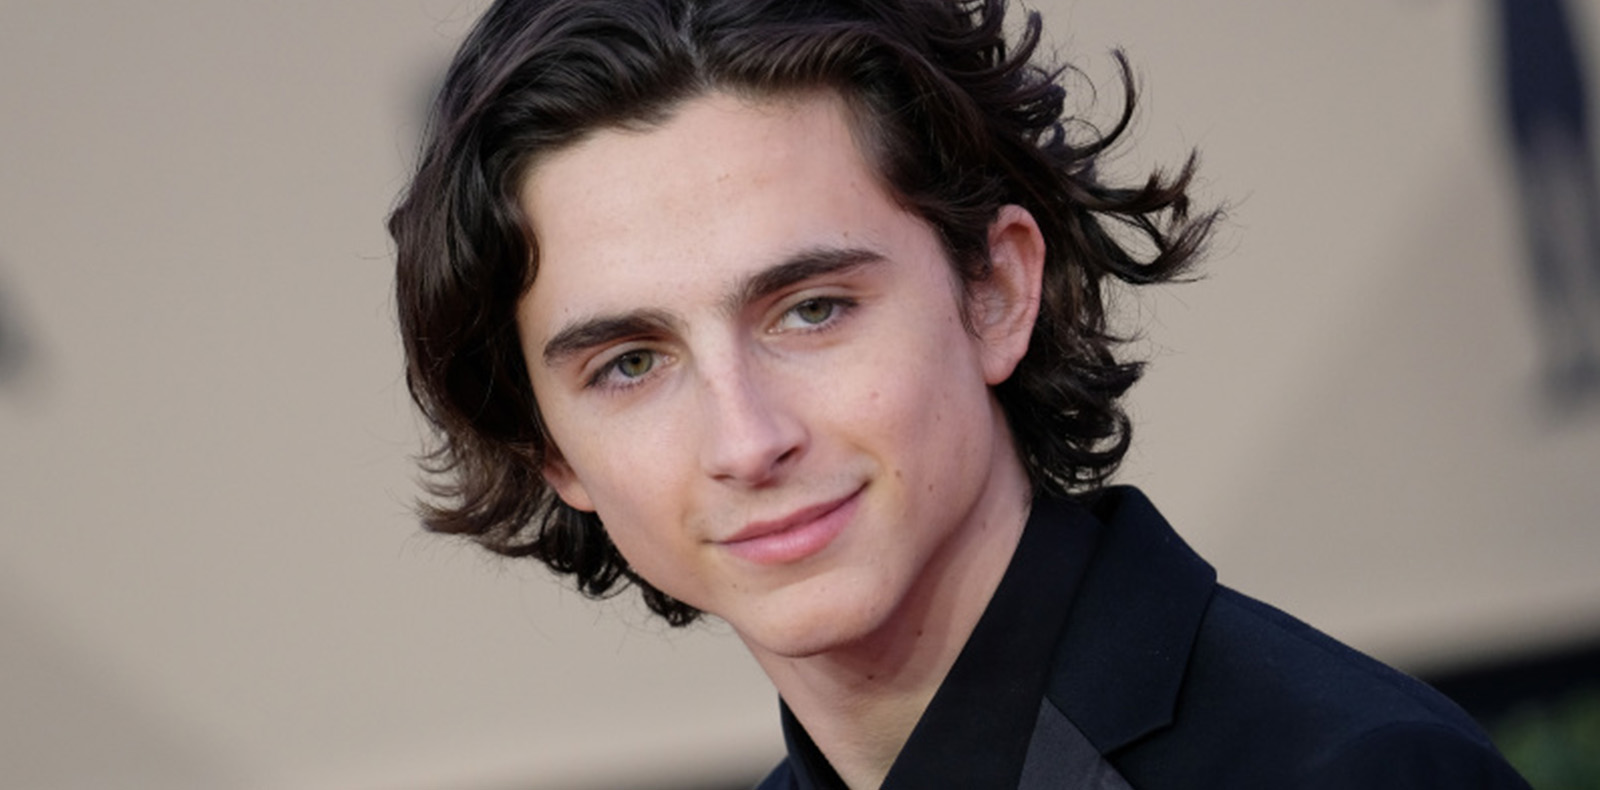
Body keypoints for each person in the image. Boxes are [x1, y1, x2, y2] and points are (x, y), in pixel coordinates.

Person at [388, 0, 1532, 787]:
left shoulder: (1348, 770)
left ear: (996, 291)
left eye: (810, 309)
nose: (745, 438)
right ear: (551, 450)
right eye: (630, 364)